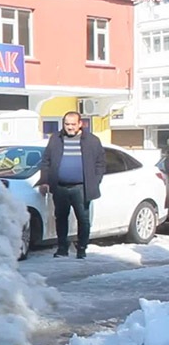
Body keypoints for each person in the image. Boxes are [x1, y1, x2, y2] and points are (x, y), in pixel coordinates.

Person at [36, 111, 106, 259]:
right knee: (60, 217)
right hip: (60, 187)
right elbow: (46, 161)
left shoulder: (92, 140)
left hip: (81, 187)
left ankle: (81, 248)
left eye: (73, 124)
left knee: (83, 219)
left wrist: (95, 180)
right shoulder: (56, 138)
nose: (70, 127)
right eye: (67, 124)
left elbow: (100, 163)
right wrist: (44, 181)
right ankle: (62, 248)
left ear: (80, 124)